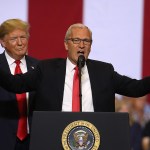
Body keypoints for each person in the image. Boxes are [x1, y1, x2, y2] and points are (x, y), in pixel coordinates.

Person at [0, 23, 150, 114]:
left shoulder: (104, 71)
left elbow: (135, 88)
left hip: (94, 136)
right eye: (76, 40)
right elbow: (15, 84)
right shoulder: (46, 69)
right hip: (55, 135)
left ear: (90, 45)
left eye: (86, 41)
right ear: (66, 44)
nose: (81, 45)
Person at [0, 19, 39, 150]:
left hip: (33, 141)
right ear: (2, 42)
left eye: (23, 37)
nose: (20, 43)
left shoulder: (39, 67)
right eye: (14, 39)